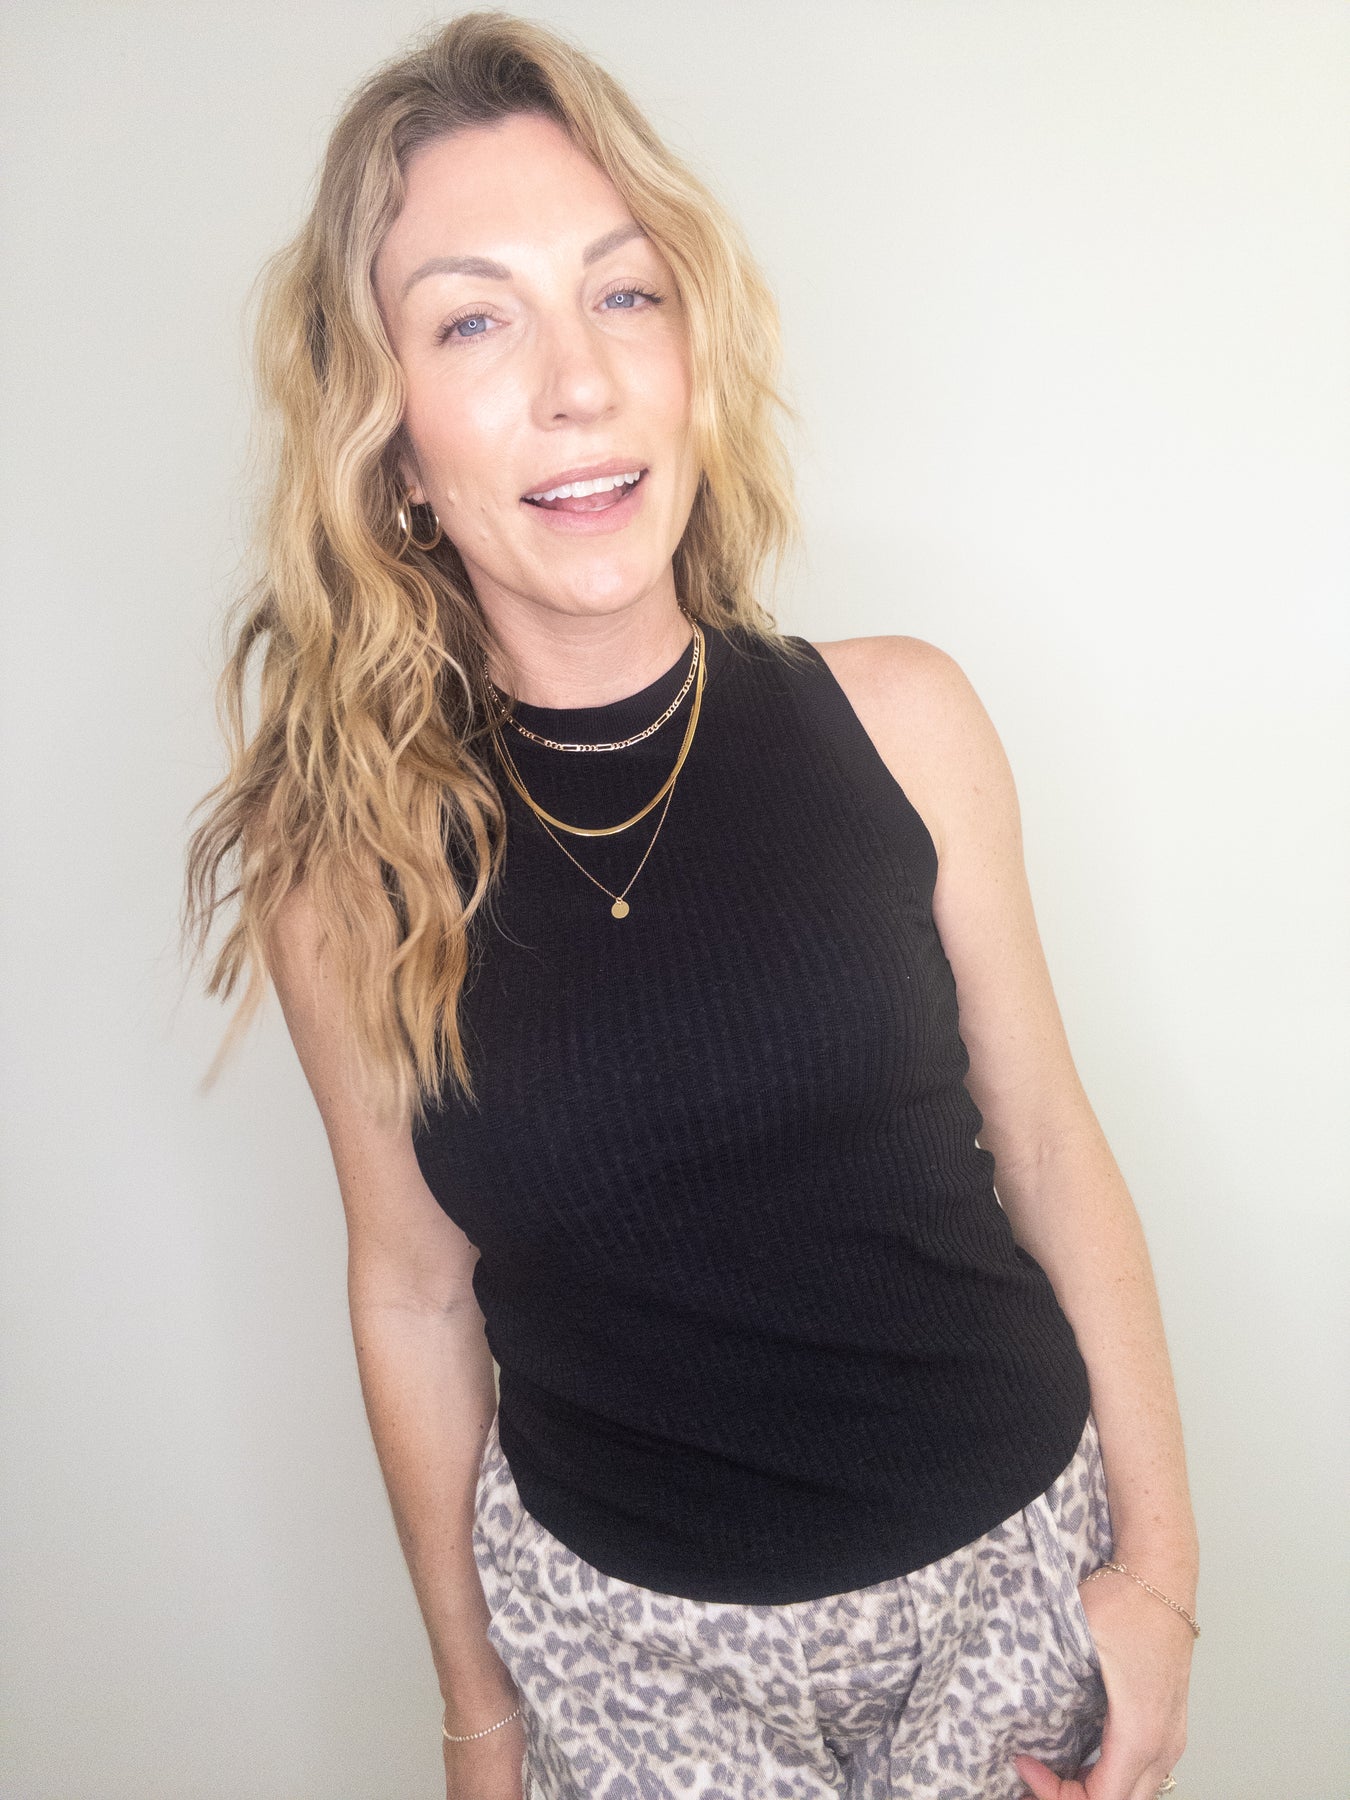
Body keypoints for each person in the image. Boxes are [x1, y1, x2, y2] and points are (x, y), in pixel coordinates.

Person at [182, 13, 1199, 1800]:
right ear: (391, 443)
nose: (575, 380)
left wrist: (1162, 1582)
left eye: (623, 293)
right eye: (473, 320)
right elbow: (412, 1297)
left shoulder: (904, 719)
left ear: (687, 355)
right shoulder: (344, 873)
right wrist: (479, 1716)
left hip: (1006, 1593)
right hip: (629, 1660)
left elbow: (1047, 1143)